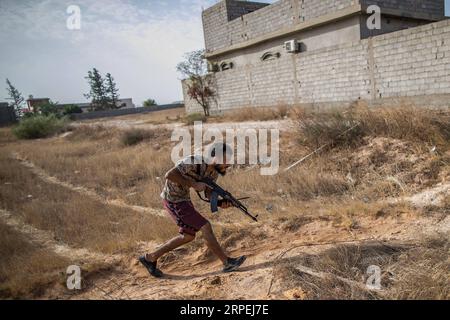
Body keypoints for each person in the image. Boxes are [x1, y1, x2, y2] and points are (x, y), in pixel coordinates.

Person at [139, 142, 246, 278]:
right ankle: (227, 263)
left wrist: (220, 203)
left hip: (183, 199)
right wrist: (193, 184)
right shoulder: (194, 161)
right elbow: (169, 174)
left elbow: (208, 194)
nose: (228, 164)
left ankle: (150, 258)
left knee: (188, 236)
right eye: (226, 159)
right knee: (205, 226)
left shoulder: (213, 173)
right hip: (173, 199)